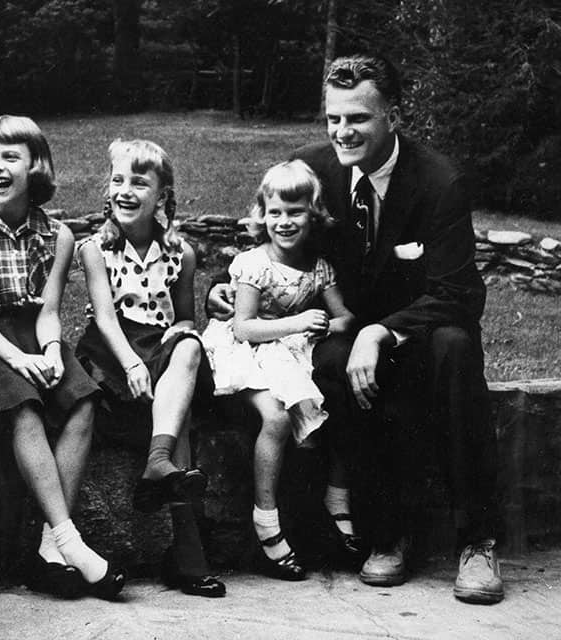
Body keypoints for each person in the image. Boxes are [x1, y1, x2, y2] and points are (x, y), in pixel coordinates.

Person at [207, 54, 502, 604]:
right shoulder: (312, 170)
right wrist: (221, 292)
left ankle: (477, 541)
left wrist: (383, 331)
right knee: (327, 363)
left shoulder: (439, 182)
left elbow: (460, 295)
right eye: (333, 119)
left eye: (357, 119)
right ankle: (386, 532)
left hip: (422, 330)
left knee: (456, 350)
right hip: (344, 330)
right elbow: (272, 247)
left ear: (394, 115)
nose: (342, 132)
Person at [0, 115, 126, 600]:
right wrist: (17, 359)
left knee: (83, 400)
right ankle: (72, 540)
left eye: (10, 157)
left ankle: (50, 547)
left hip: (34, 334)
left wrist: (49, 351)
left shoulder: (58, 235)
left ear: (36, 167)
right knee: (25, 407)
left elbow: (49, 313)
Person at [75, 139, 225, 598]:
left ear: (161, 196)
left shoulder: (182, 253)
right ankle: (186, 554)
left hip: (158, 346)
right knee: (175, 418)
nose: (125, 190)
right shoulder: (95, 249)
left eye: (139, 183)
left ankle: (158, 464)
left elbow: (184, 317)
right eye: (118, 180)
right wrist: (132, 363)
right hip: (111, 350)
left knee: (189, 346)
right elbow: (102, 316)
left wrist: (173, 341)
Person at [201, 160, 360, 581]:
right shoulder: (254, 264)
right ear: (262, 214)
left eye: (295, 212)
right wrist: (297, 323)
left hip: (288, 353)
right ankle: (266, 522)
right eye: (275, 212)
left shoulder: (319, 268)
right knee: (275, 419)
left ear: (314, 215)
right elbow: (244, 326)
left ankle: (323, 512)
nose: (284, 222)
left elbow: (345, 317)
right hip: (245, 354)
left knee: (319, 417)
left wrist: (321, 321)